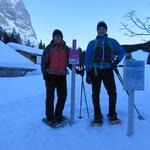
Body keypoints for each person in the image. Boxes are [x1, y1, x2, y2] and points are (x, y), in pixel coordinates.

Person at [85, 21, 125, 125]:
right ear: (97, 30)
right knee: (95, 94)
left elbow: (122, 52)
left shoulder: (112, 42)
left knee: (112, 93)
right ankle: (97, 116)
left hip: (108, 70)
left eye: (103, 28)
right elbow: (87, 58)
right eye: (99, 29)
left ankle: (112, 114)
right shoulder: (92, 43)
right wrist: (88, 72)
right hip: (95, 71)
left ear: (106, 30)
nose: (101, 30)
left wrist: (115, 62)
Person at [41, 29, 70, 125]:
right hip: (50, 76)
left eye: (59, 36)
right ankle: (50, 117)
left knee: (63, 96)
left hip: (62, 76)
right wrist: (45, 74)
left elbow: (69, 61)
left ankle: (58, 115)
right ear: (53, 38)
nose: (57, 38)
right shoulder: (49, 48)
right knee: (50, 97)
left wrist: (76, 69)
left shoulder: (66, 49)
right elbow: (43, 62)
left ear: (62, 38)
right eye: (55, 36)